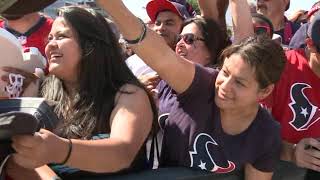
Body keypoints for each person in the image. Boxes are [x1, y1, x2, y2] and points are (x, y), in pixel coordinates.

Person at [96, 0, 287, 179]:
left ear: (264, 92)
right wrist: (114, 7)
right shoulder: (202, 84)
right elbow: (157, 53)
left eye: (240, 83)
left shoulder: (266, 134)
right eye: (225, 73)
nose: (224, 86)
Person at [3, 6, 157, 179]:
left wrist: (59, 149)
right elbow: (14, 161)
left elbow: (122, 153)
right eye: (50, 38)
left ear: (91, 43)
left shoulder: (129, 95)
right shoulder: (38, 90)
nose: (50, 45)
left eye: (61, 36)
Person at [261, 13, 320, 180]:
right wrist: (291, 151)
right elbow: (251, 133)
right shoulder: (279, 67)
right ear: (311, 45)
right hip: (277, 168)